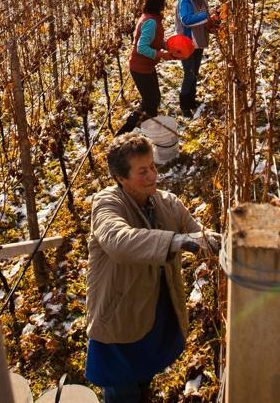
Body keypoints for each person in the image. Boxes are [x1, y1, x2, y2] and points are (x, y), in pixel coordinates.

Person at [85, 133, 221, 402]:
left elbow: (198, 233)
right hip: (119, 316)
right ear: (121, 178)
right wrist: (177, 241)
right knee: (122, 389)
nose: (153, 176)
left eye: (153, 167)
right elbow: (118, 241)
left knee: (144, 369)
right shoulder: (107, 204)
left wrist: (220, 243)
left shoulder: (166, 203)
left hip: (154, 305)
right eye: (142, 171)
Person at [117, 0, 173, 135]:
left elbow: (153, 39)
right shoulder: (151, 22)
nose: (165, 5)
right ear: (159, 4)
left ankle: (150, 129)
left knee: (154, 99)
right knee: (149, 102)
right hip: (140, 67)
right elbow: (142, 47)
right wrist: (161, 54)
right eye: (163, 2)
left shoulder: (150, 17)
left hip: (146, 65)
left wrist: (167, 45)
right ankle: (125, 132)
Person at [174, 0, 210, 117]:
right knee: (188, 74)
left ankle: (191, 101)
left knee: (195, 72)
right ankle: (184, 106)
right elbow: (186, 19)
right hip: (187, 41)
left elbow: (204, 18)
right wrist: (206, 15)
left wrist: (212, 22)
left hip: (199, 40)